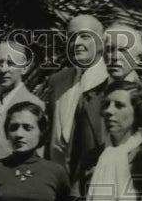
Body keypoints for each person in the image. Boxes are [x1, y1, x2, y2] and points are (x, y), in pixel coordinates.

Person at [44, 14, 110, 175]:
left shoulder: (111, 82)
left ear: (101, 41)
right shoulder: (57, 81)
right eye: (72, 37)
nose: (77, 43)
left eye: (85, 36)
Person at [0, 39, 46, 167]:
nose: (3, 69)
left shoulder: (34, 105)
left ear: (24, 68)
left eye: (10, 63)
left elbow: (33, 161)